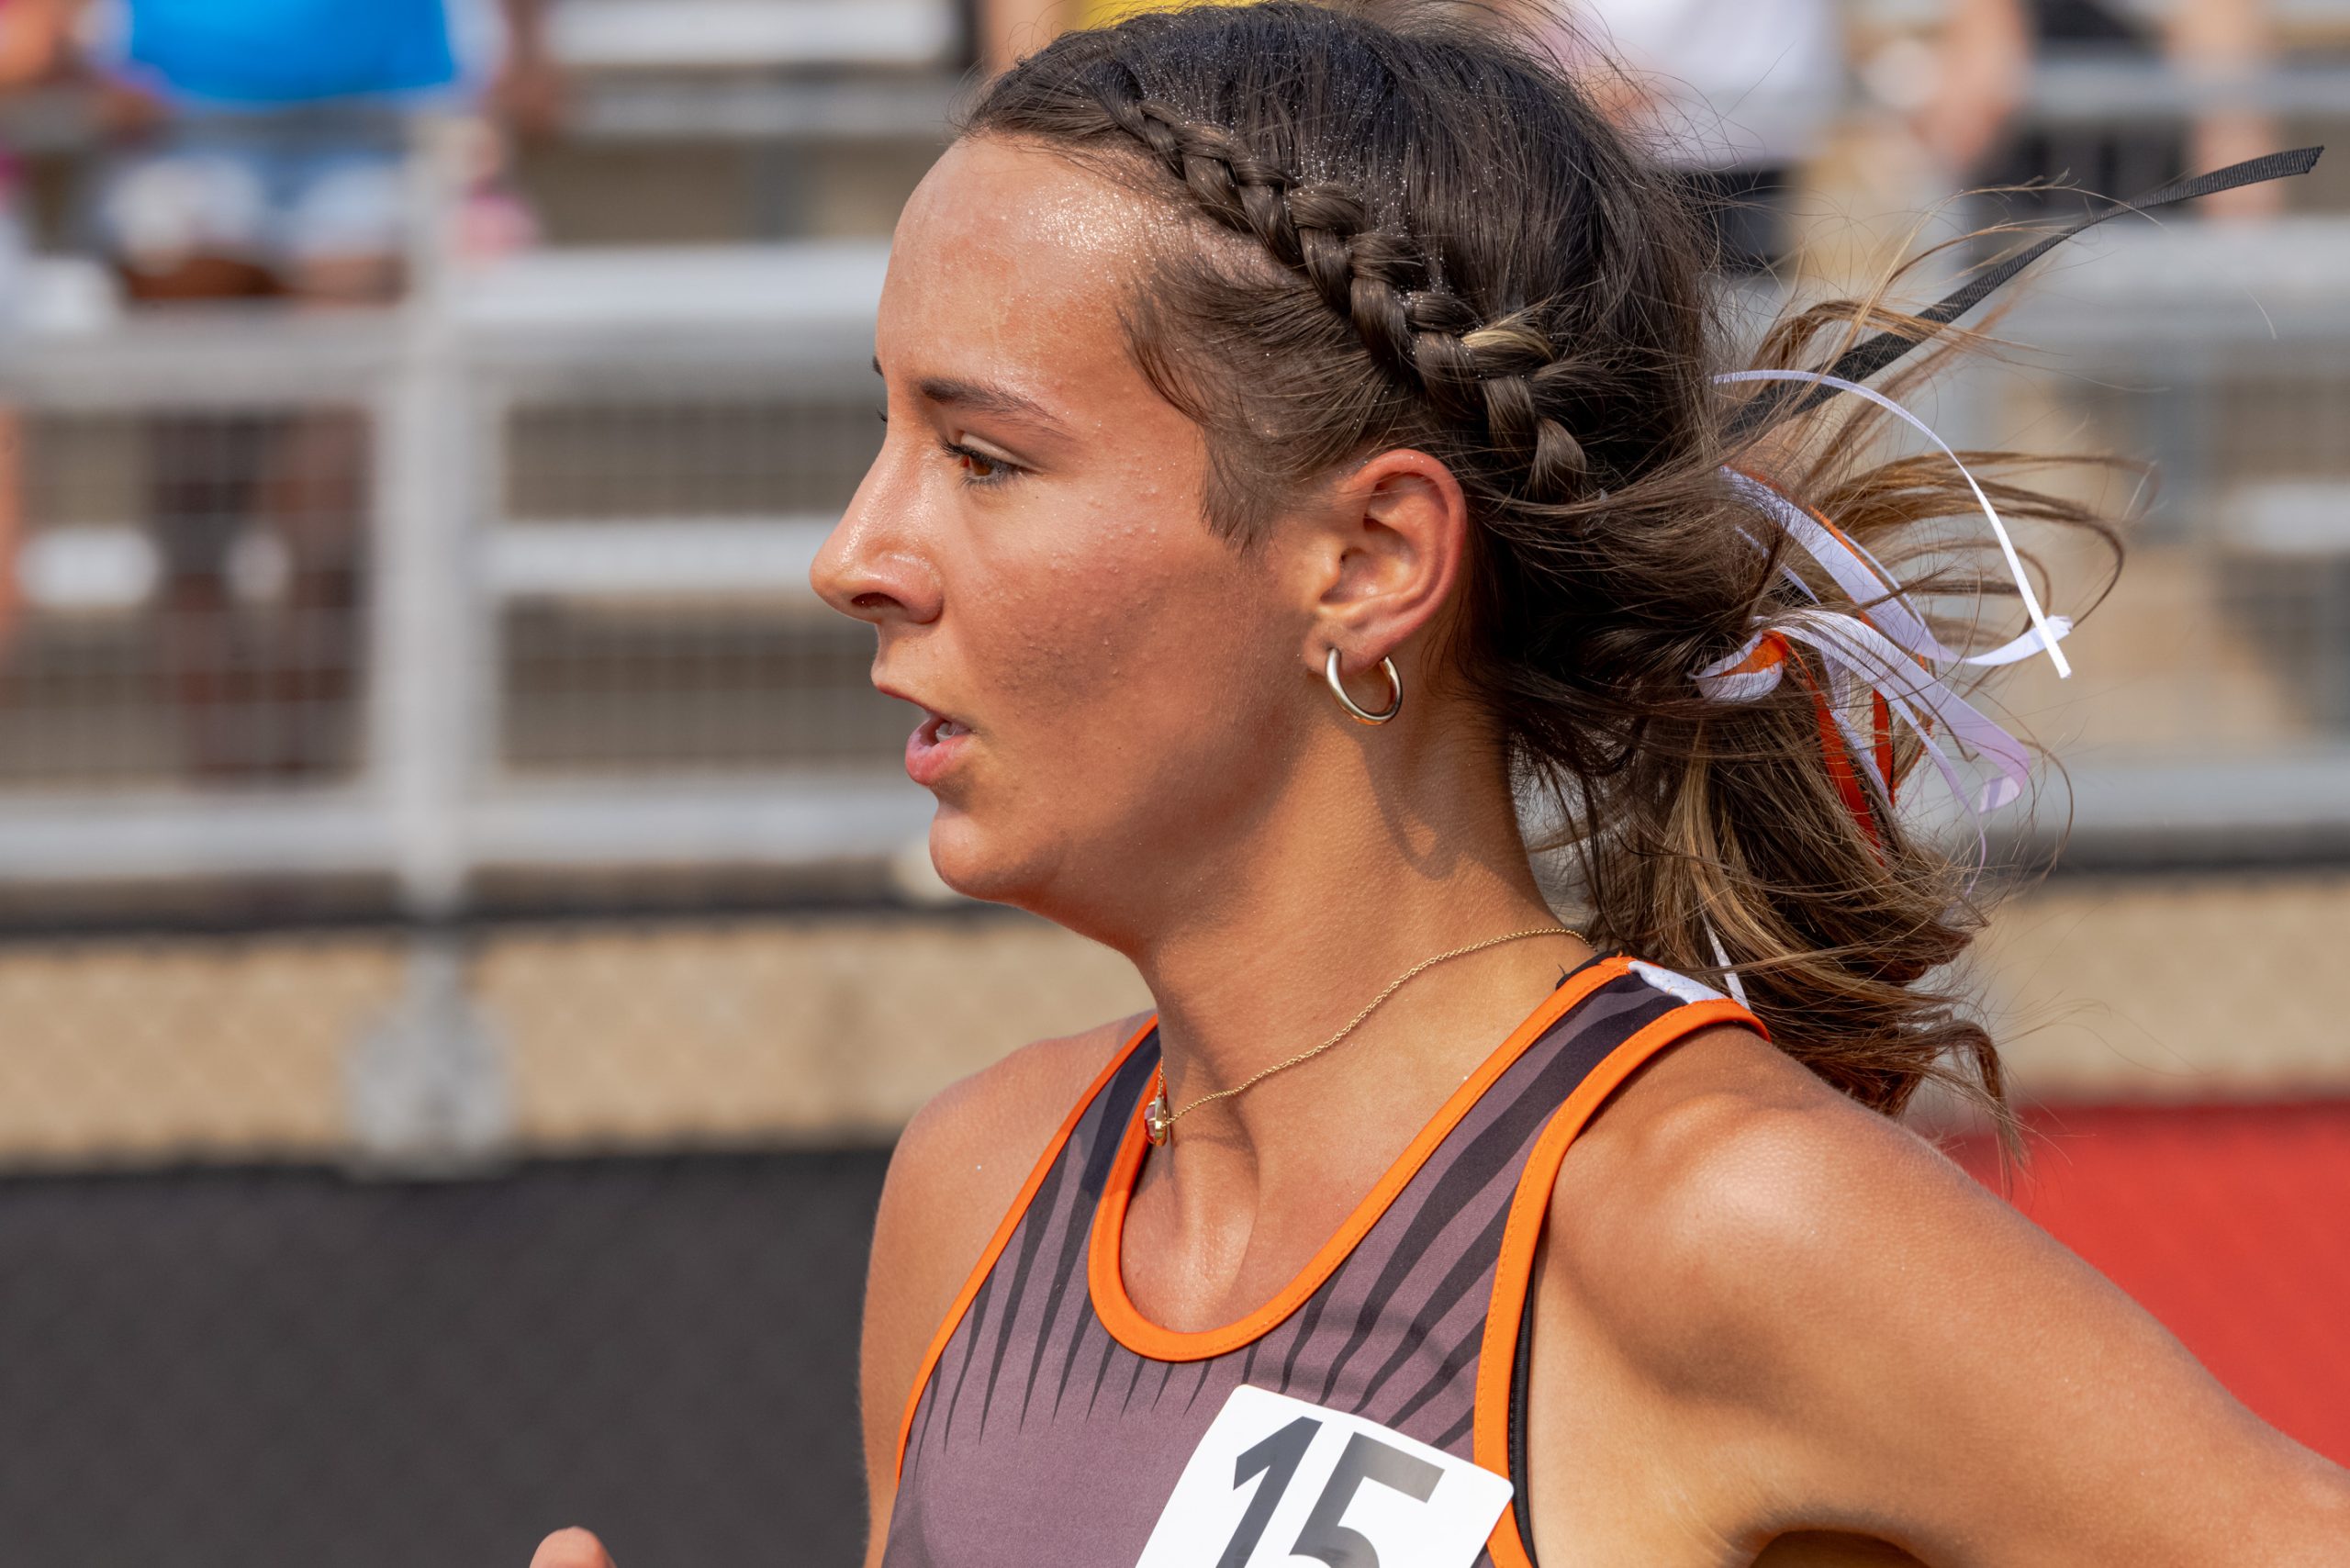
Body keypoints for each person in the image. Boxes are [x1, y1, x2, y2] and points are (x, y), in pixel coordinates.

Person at [534, 6, 2347, 1566]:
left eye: (981, 455)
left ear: (1369, 560)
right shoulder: (980, 1185)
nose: (854, 554)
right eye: (886, 432)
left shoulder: (1712, 1218)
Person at [76, 0, 556, 777]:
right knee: (195, 513)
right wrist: (78, 53)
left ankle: (299, 800)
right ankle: (228, 808)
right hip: (179, 119)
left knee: (330, 527)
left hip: (377, 125)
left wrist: (529, 47)